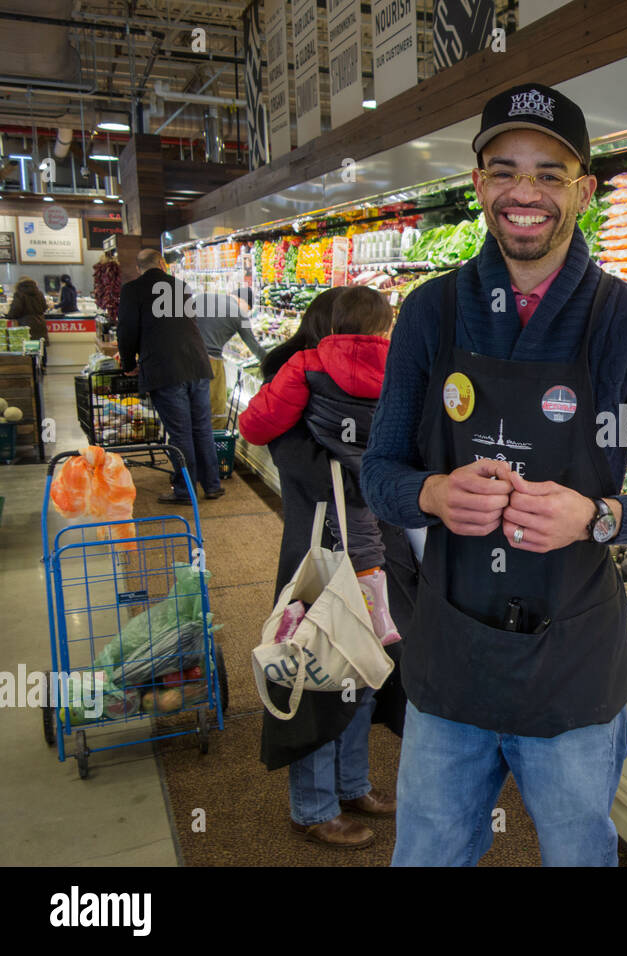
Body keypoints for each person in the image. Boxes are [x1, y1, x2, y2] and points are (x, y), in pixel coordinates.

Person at [361, 83, 627, 866]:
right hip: (449, 659)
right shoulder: (429, 314)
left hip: (572, 667)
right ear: (478, 181)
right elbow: (378, 472)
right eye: (505, 170)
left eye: (551, 174)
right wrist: (432, 494)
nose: (526, 193)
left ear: (584, 190)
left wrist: (598, 517)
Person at [242, 286, 408, 849]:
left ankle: (352, 782)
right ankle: (311, 807)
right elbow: (325, 476)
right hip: (317, 556)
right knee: (316, 675)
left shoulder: (360, 391)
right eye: (378, 330)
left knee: (359, 671)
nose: (382, 342)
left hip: (366, 558)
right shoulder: (296, 393)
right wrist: (383, 466)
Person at [240, 284, 402, 645]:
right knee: (333, 640)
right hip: (345, 529)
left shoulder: (302, 374)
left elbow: (256, 426)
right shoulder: (398, 368)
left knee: (316, 643)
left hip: (331, 530)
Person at [116, 248, 223, 503]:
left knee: (180, 433)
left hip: (165, 368)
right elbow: (184, 324)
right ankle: (211, 485)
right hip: (197, 364)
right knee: (201, 428)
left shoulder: (133, 290)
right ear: (162, 264)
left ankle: (186, 490)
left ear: (139, 268)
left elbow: (127, 331)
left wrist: (128, 363)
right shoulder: (179, 286)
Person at [193, 288, 267, 429]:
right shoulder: (240, 314)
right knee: (216, 409)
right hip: (210, 361)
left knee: (189, 404)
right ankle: (212, 445)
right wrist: (275, 363)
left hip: (183, 356)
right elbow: (255, 347)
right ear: (244, 302)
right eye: (248, 309)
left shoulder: (202, 297)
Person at [5, 279, 50, 363]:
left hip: (26, 323)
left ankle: (32, 369)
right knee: (41, 346)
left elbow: (16, 309)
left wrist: (9, 316)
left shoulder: (19, 294)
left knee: (30, 349)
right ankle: (42, 368)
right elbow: (44, 307)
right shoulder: (39, 293)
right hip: (40, 322)